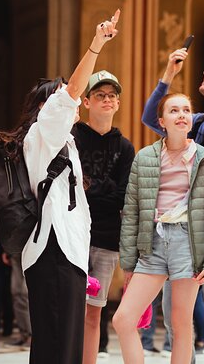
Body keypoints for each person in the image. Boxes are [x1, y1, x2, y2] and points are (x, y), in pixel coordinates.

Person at [0, 9, 120, 363]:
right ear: (48, 106)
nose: (73, 99)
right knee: (58, 346)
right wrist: (96, 44)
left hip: (68, 254)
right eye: (64, 95)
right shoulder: (44, 132)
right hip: (53, 251)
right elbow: (71, 94)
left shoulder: (65, 142)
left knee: (62, 345)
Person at [113, 92, 204, 364]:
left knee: (180, 322)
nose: (182, 115)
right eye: (174, 111)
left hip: (187, 244)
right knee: (123, 319)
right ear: (162, 120)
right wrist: (129, 262)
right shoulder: (144, 158)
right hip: (152, 243)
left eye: (186, 110)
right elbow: (131, 212)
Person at [142, 49, 204, 363]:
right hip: (184, 228)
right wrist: (169, 72)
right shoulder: (196, 121)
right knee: (174, 314)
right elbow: (149, 118)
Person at [73, 69, 134, 364]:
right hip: (71, 235)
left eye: (112, 96)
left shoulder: (124, 148)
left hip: (107, 238)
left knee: (94, 312)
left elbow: (121, 196)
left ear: (118, 103)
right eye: (100, 95)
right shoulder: (72, 139)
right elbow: (70, 189)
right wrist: (101, 188)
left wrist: (91, 187)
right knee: (69, 308)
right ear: (87, 102)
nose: (107, 100)